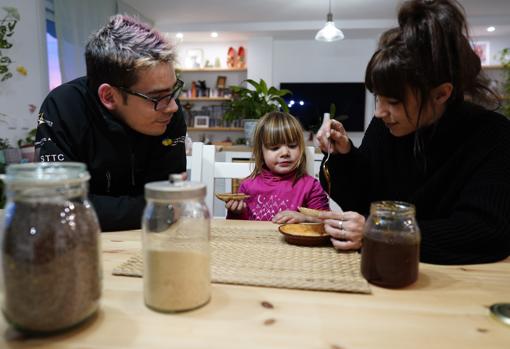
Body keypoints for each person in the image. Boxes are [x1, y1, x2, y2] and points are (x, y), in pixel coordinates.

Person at [316, 0, 510, 265]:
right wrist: (344, 155)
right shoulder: (385, 128)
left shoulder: (493, 135)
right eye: (378, 98)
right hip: (380, 268)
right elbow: (361, 198)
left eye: (394, 102)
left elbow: (486, 231)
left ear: (442, 93)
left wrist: (381, 233)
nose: (379, 112)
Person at [35, 15, 187, 231]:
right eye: (157, 96)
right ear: (108, 96)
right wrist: (155, 208)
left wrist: (93, 206)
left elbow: (170, 197)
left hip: (150, 238)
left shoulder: (167, 112)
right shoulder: (63, 107)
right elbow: (57, 208)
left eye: (173, 91)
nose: (172, 106)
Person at [226, 111, 330, 223]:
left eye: (292, 146)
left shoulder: (311, 187)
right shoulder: (247, 187)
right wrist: (235, 212)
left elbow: (326, 222)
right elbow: (239, 228)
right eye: (275, 148)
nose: (285, 152)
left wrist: (305, 218)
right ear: (261, 152)